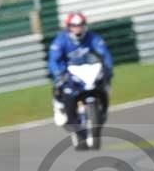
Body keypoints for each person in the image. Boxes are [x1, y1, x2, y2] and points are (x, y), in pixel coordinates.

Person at [48, 12, 114, 148]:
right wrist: (59, 73)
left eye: (80, 25)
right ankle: (59, 107)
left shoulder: (93, 37)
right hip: (67, 73)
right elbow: (53, 60)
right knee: (63, 89)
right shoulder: (60, 41)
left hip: (88, 70)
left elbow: (105, 54)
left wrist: (108, 69)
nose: (78, 29)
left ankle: (102, 110)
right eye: (74, 26)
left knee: (104, 85)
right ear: (68, 27)